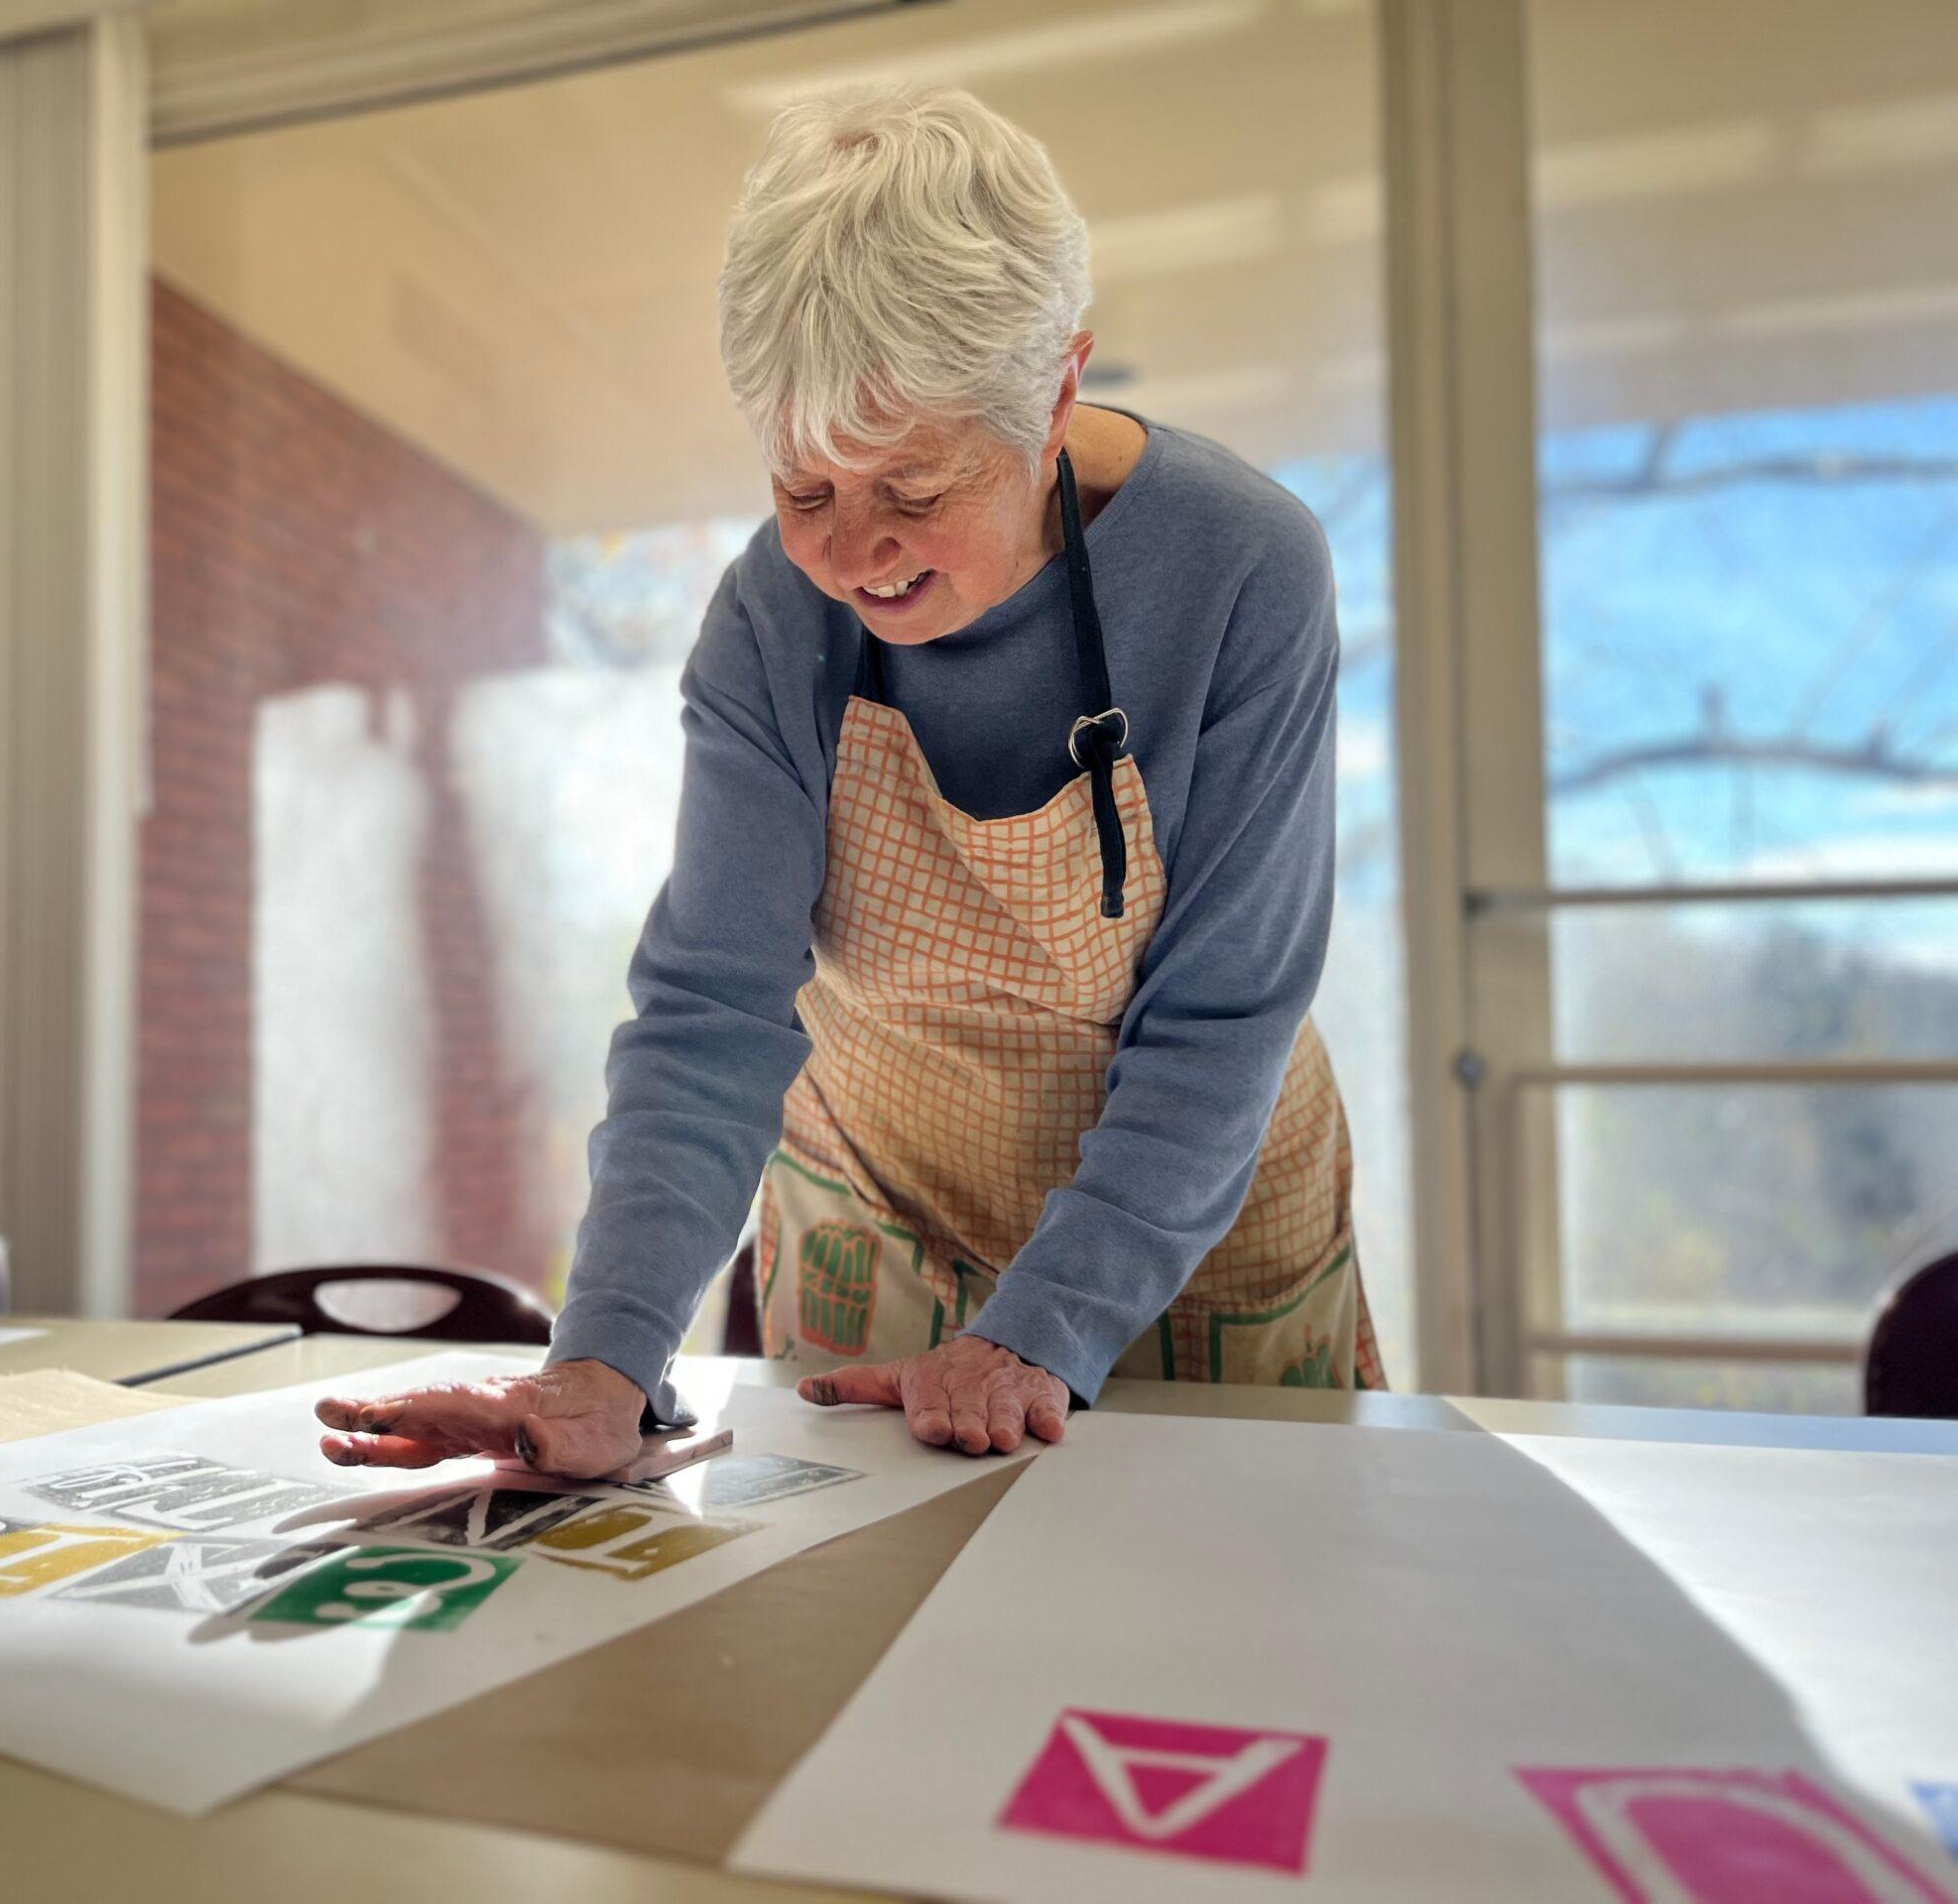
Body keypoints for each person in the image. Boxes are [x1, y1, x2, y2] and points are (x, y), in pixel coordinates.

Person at [316, 80, 1380, 1482]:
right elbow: (710, 1013)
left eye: (915, 491)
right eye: (804, 491)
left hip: (1181, 1230)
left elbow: (1219, 1020)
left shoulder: (1242, 567)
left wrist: (1041, 1329)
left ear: (1057, 393)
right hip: (872, 1216)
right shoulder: (771, 618)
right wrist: (604, 1359)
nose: (857, 555)